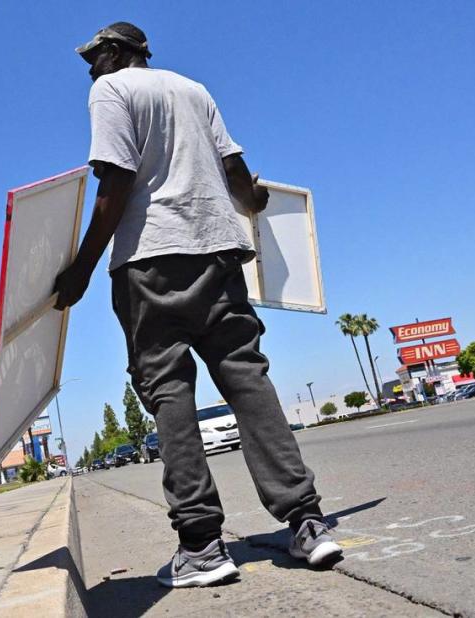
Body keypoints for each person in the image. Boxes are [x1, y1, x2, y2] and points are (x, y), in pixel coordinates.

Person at [55, 22, 343, 588]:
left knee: (168, 390)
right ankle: (307, 521)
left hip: (150, 260)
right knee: (247, 378)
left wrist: (82, 268)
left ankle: (201, 545)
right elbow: (237, 174)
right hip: (219, 252)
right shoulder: (195, 89)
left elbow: (115, 182)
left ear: (119, 53)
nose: (90, 68)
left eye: (95, 56)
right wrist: (257, 201)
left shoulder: (111, 91)